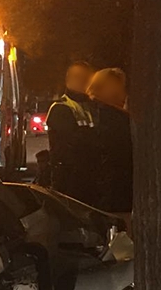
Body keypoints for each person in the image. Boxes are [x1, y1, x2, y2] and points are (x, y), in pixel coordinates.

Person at [46, 65, 132, 214]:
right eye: (79, 77)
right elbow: (72, 148)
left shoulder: (96, 109)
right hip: (74, 191)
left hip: (95, 193)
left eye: (87, 77)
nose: (85, 82)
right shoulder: (62, 108)